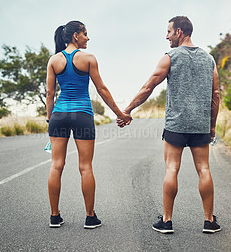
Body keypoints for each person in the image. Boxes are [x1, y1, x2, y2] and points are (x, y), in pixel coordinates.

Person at [118, 16, 220, 234]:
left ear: (180, 32)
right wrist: (211, 125)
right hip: (200, 125)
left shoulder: (170, 57)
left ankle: (167, 221)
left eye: (169, 32)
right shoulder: (209, 59)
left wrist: (127, 110)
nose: (166, 36)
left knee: (172, 168)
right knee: (204, 169)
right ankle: (209, 221)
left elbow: (148, 87)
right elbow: (216, 95)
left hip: (176, 125)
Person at [46, 20, 132, 228]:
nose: (88, 38)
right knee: (85, 167)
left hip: (59, 115)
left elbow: (50, 93)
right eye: (85, 34)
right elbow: (102, 90)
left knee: (56, 165)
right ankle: (90, 217)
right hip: (82, 114)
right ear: (76, 35)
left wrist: (50, 119)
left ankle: (55, 216)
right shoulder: (88, 59)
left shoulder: (54, 60)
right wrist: (120, 114)